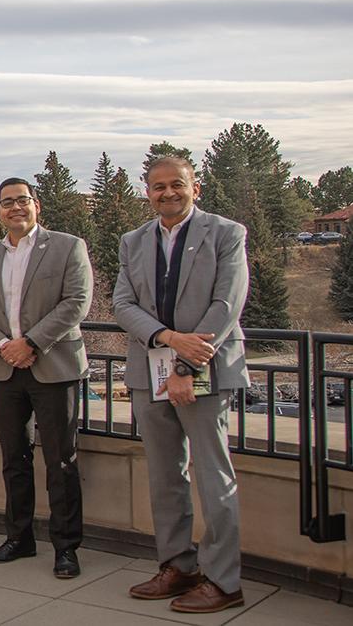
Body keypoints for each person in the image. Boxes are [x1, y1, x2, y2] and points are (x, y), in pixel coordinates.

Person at [113, 155, 249, 613]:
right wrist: (168, 340)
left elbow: (226, 305)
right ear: (147, 192)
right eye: (158, 187)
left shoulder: (226, 233)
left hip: (206, 369)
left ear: (196, 187)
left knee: (213, 478)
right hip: (148, 371)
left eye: (177, 185)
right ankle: (177, 565)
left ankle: (223, 580)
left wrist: (186, 367)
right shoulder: (133, 241)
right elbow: (122, 304)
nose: (168, 193)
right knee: (165, 476)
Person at [0, 178, 92, 578]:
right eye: (7, 203)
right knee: (13, 459)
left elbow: (77, 302)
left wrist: (32, 343)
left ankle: (66, 547)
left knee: (61, 460)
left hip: (53, 366)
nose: (14, 208)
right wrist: (4, 346)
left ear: (36, 204)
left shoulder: (68, 246)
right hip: (6, 370)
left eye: (22, 200)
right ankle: (19, 538)